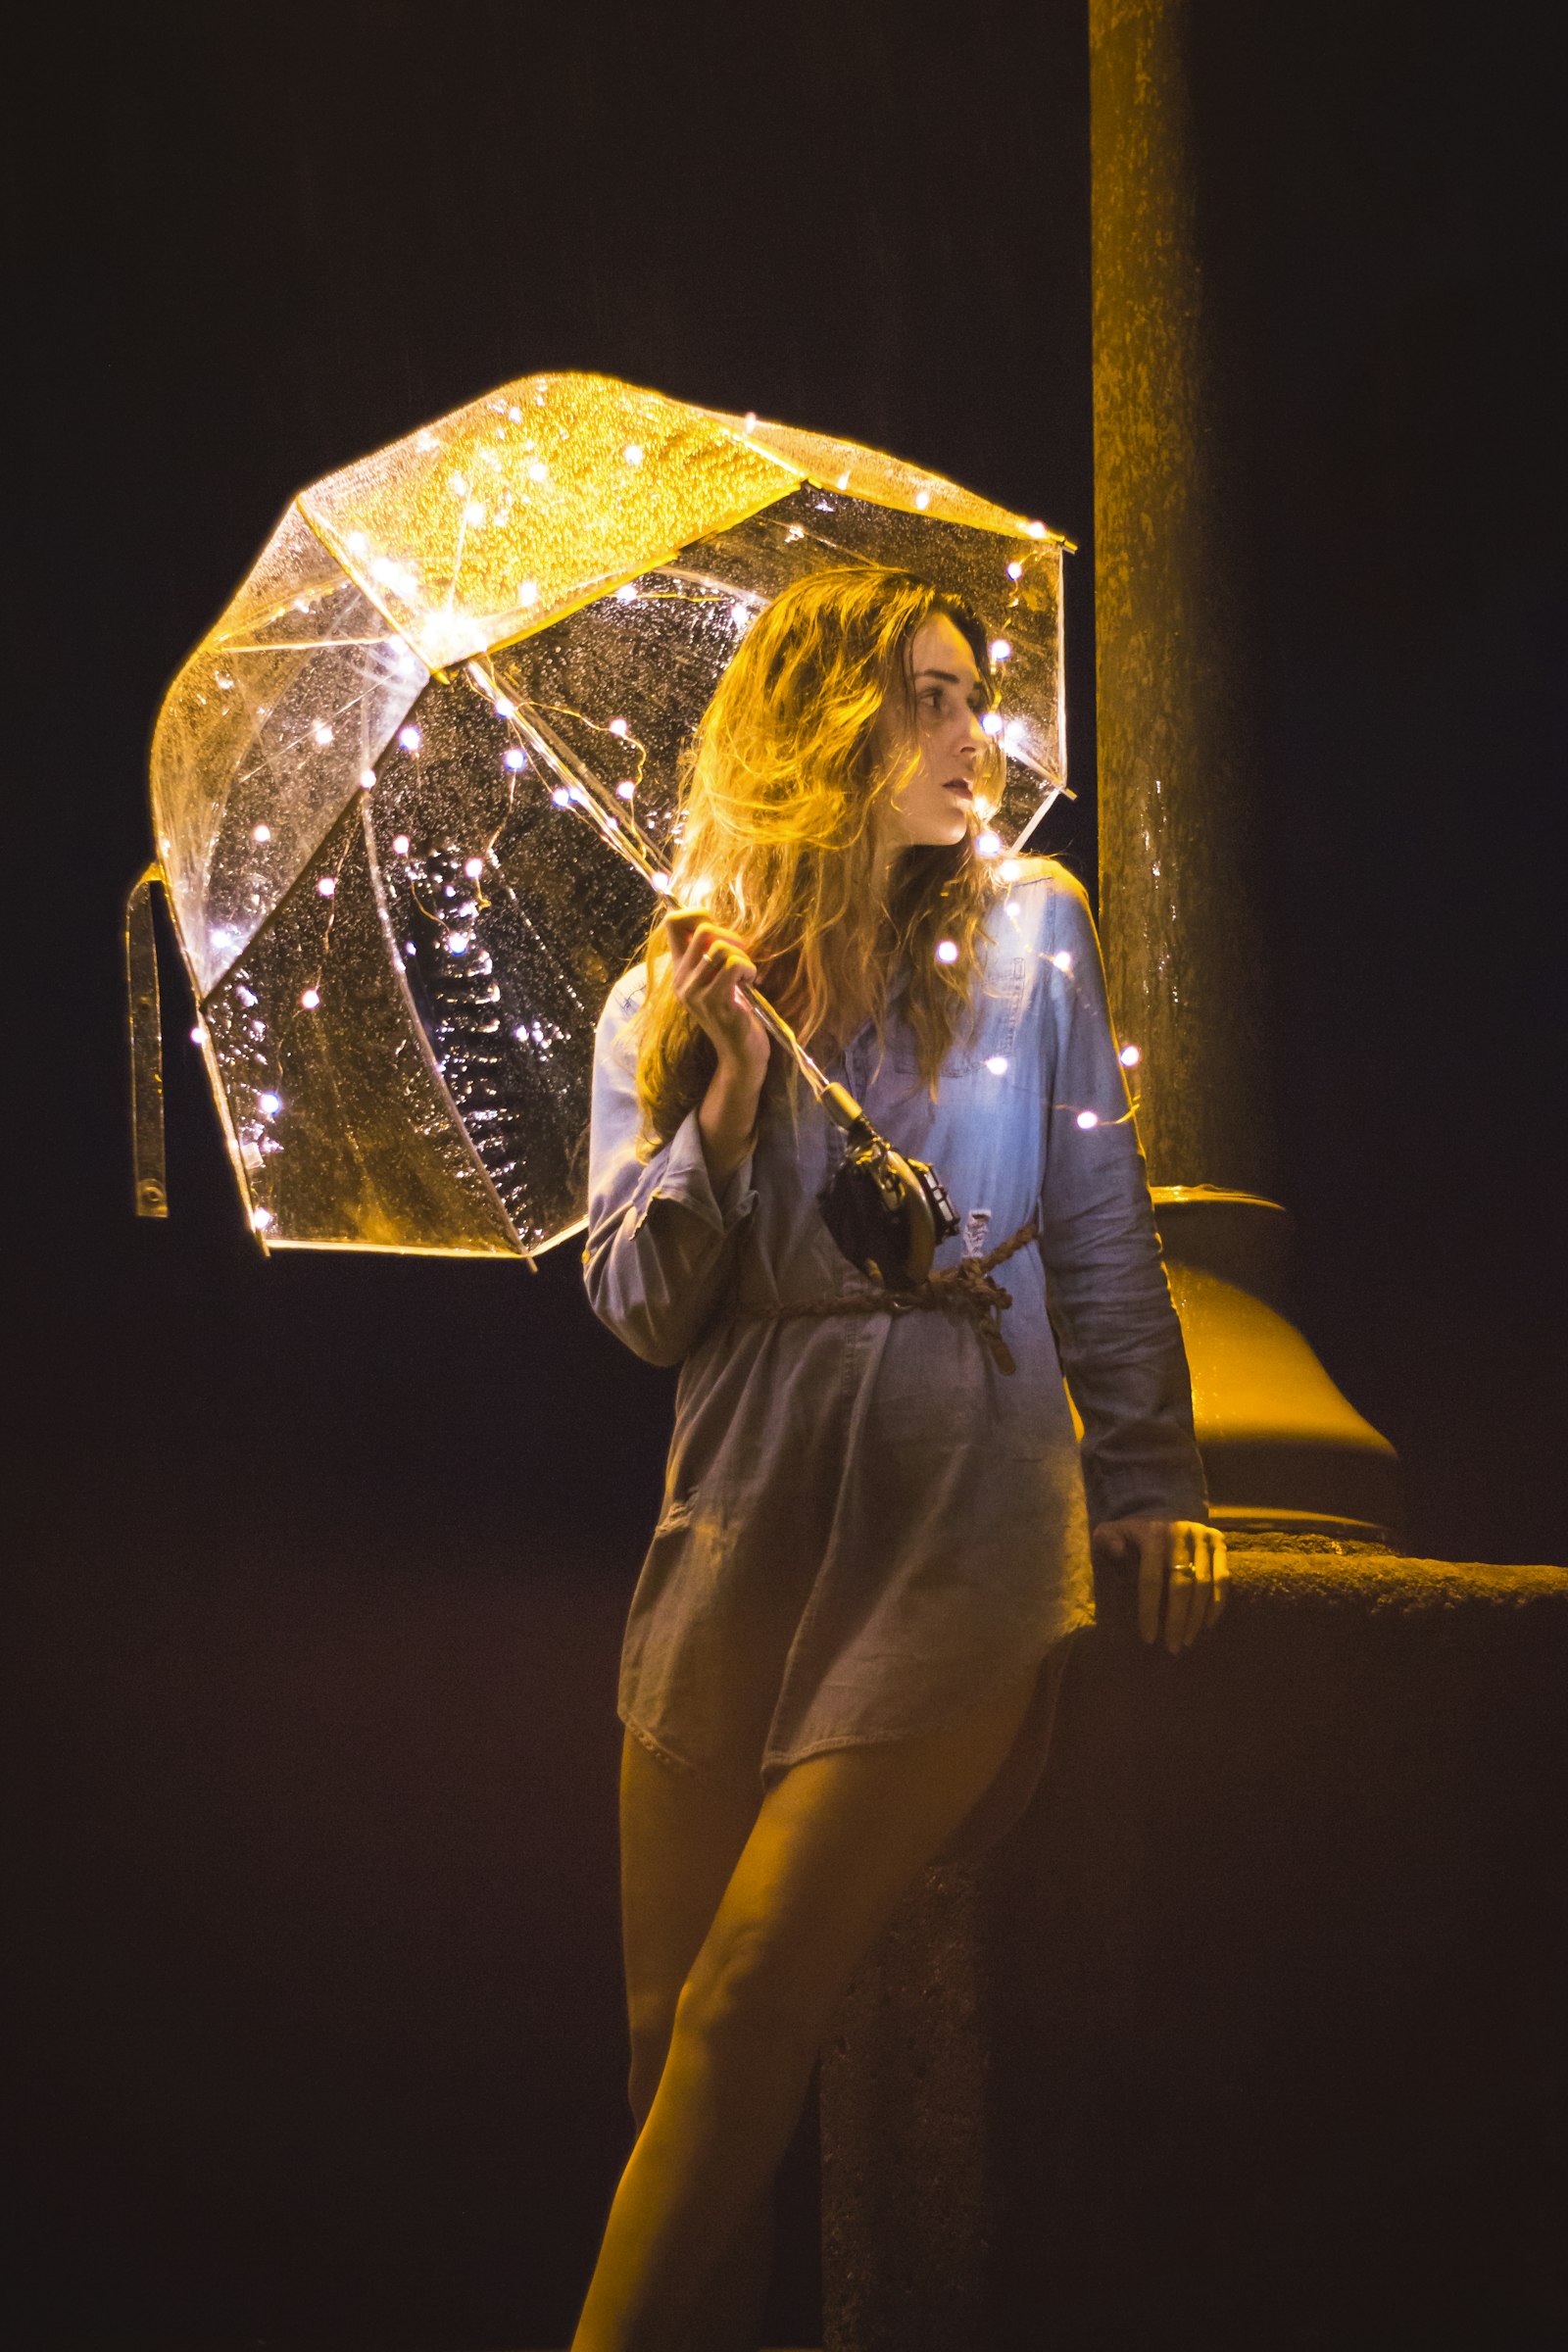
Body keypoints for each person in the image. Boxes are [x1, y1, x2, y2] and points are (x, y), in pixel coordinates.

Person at [573, 565, 1226, 2351]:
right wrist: (712, 1100)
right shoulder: (679, 983)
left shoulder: (1036, 928)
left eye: (973, 693)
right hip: (737, 1523)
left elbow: (1097, 1224)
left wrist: (1153, 1481)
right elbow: (636, 1303)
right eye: (927, 698)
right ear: (824, 728)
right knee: (662, 2037)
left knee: (751, 1999)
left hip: (960, 1496)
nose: (973, 734)